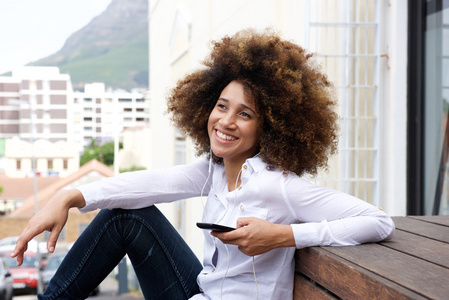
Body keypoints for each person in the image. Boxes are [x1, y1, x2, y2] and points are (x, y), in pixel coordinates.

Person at [11, 28, 395, 300]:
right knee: (124, 214)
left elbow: (378, 221)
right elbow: (144, 184)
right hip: (200, 293)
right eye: (221, 106)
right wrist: (71, 195)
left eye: (245, 114)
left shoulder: (279, 186)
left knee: (125, 217)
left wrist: (283, 236)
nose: (226, 121)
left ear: (270, 127)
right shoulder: (212, 170)